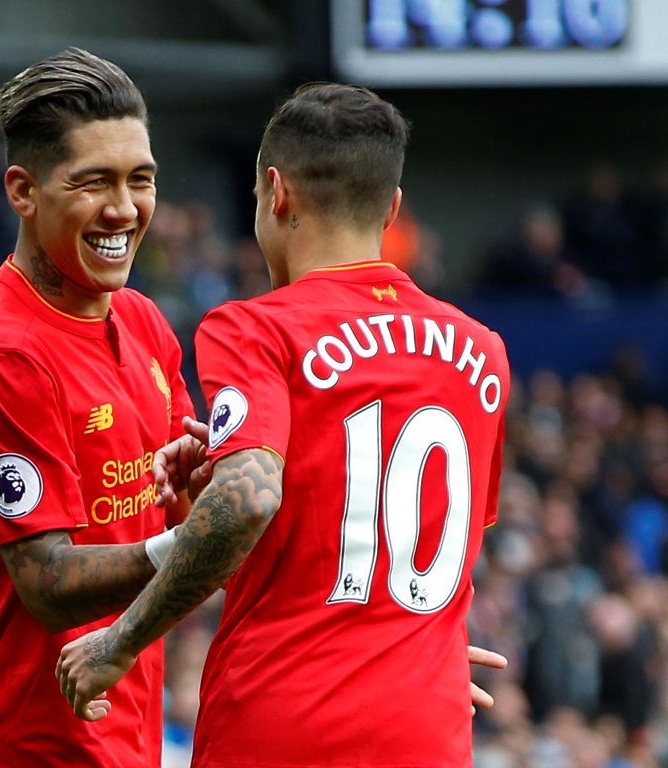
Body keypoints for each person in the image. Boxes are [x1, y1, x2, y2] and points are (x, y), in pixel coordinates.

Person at [58, 83, 511, 768]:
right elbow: (384, 545)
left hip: (281, 727)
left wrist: (119, 640)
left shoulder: (256, 328)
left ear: (276, 193)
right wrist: (416, 644)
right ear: (390, 208)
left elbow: (250, 498)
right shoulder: (483, 351)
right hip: (428, 733)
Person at [0, 49, 198, 767]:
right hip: (26, 746)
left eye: (140, 179)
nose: (124, 208)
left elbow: (198, 513)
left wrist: (396, 639)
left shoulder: (142, 321)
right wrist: (204, 537)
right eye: (93, 183)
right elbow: (48, 583)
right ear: (23, 191)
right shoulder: (2, 355)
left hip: (125, 736)